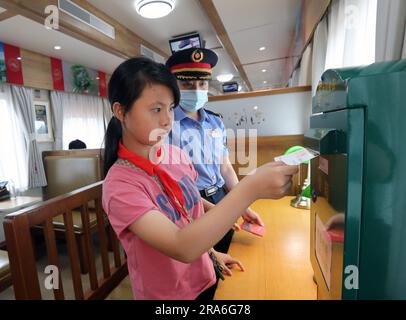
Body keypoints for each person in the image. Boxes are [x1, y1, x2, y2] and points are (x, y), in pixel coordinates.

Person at [102, 57, 298, 300]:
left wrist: (211, 255)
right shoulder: (120, 185)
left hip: (204, 276)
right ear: (121, 111)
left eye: (170, 108)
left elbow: (189, 207)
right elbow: (180, 245)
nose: (166, 120)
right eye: (156, 109)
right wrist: (249, 189)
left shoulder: (175, 155)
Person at [166, 48, 263, 254]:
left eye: (202, 84)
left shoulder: (215, 122)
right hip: (189, 203)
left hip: (220, 196)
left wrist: (241, 204)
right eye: (187, 84)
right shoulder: (165, 124)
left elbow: (226, 168)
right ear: (173, 86)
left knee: (227, 252)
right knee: (201, 260)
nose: (196, 90)